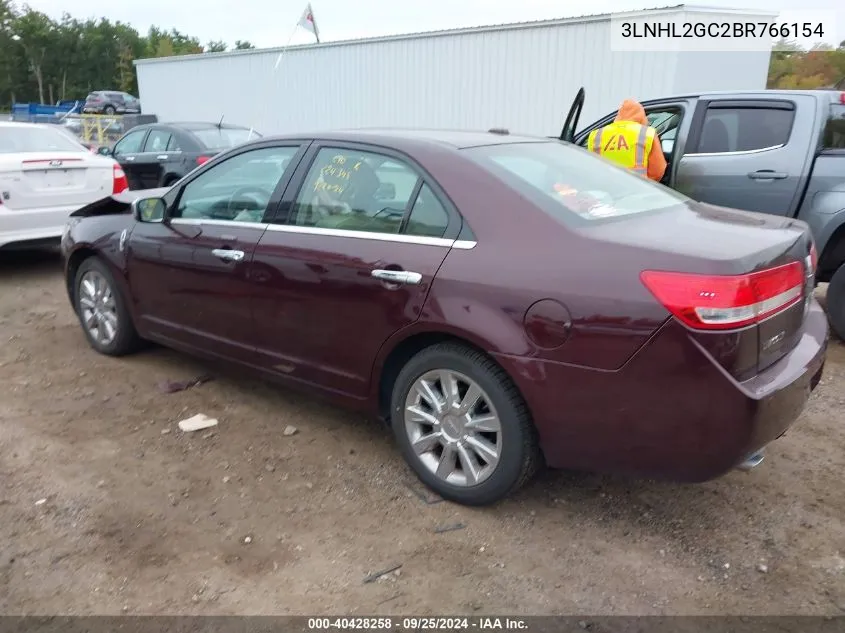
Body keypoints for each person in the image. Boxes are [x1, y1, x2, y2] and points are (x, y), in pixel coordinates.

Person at [586, 99, 667, 182]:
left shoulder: (596, 135)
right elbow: (658, 170)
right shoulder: (647, 133)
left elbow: (590, 168)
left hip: (604, 188)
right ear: (641, 116)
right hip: (636, 189)